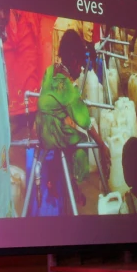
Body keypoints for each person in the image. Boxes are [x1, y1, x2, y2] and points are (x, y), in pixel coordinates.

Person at [35, 29, 110, 211]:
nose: (81, 70)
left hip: (41, 128)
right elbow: (85, 120)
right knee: (80, 140)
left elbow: (50, 100)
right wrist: (101, 144)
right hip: (53, 132)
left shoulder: (50, 70)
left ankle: (56, 178)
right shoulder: (67, 86)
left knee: (66, 137)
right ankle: (76, 184)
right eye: (81, 66)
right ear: (75, 61)